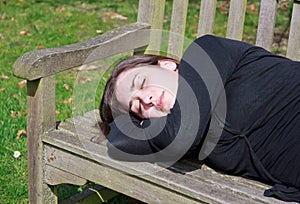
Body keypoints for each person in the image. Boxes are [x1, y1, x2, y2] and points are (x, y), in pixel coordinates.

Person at [99, 35, 300, 202]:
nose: (146, 98)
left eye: (142, 83)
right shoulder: (182, 132)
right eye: (137, 107)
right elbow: (118, 140)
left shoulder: (205, 52)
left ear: (167, 65)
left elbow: (181, 133)